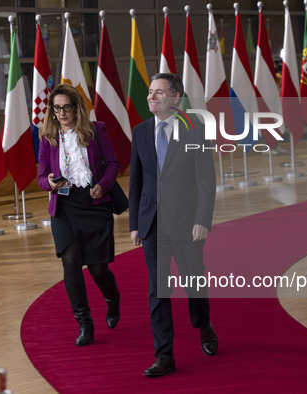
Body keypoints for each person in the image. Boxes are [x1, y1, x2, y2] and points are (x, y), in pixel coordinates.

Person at [129, 73, 217, 377]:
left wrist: (202, 221)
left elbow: (206, 180)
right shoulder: (140, 132)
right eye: (150, 93)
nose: (152, 97)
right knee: (158, 289)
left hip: (186, 223)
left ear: (176, 97)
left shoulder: (196, 130)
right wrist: (134, 224)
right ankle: (164, 354)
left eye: (159, 92)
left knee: (193, 281)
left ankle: (203, 324)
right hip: (152, 224)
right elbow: (137, 183)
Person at [38, 84, 121, 346]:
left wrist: (103, 186)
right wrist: (49, 183)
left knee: (98, 269)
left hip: (94, 203)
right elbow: (41, 176)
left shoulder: (96, 131)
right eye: (57, 108)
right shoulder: (47, 138)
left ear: (76, 108)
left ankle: (112, 298)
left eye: (66, 107)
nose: (61, 113)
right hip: (64, 207)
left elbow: (114, 164)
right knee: (71, 262)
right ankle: (85, 324)